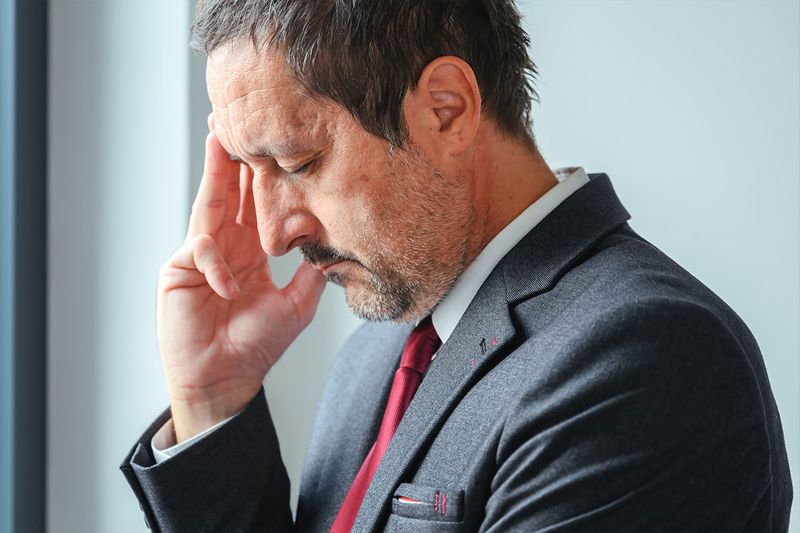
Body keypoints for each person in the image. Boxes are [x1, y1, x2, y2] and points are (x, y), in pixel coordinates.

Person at [120, 1, 793, 531]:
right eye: (249, 167)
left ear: (447, 110)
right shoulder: (372, 359)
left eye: (298, 162)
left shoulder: (646, 357)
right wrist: (212, 401)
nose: (272, 235)